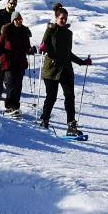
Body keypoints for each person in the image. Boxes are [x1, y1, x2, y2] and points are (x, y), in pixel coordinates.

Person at [40, 7, 92, 136]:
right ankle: (44, 119)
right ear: (56, 18)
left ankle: (71, 125)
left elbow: (68, 53)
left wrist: (82, 62)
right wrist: (43, 47)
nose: (63, 20)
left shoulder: (69, 34)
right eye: (61, 18)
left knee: (70, 97)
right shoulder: (50, 30)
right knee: (51, 96)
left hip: (66, 70)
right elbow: (43, 45)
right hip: (51, 69)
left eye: (65, 18)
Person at [0, 10, 34, 117]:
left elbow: (27, 46)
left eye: (20, 19)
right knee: (11, 84)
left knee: (18, 85)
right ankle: (9, 106)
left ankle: (16, 107)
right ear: (13, 20)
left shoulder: (24, 32)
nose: (18, 21)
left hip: (20, 62)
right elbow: (0, 42)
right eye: (16, 19)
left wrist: (30, 50)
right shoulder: (7, 30)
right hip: (8, 61)